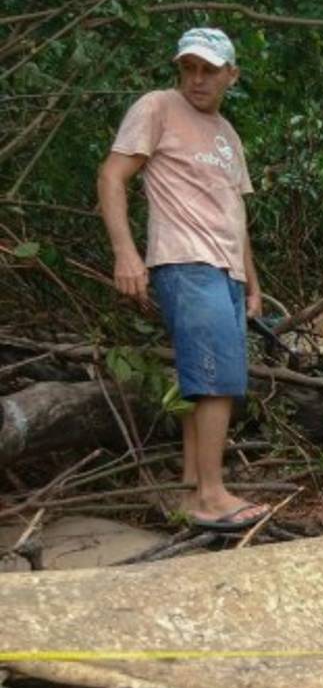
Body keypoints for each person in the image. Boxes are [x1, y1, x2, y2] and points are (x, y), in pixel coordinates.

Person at [97, 27, 269, 531]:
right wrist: (125, 252)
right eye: (189, 67)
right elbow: (111, 176)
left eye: (209, 70)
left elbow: (234, 213)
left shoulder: (228, 136)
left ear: (230, 76)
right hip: (184, 261)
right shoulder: (157, 107)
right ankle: (212, 497)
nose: (197, 79)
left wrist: (252, 284)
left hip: (225, 271)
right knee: (217, 383)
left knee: (205, 379)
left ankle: (193, 486)